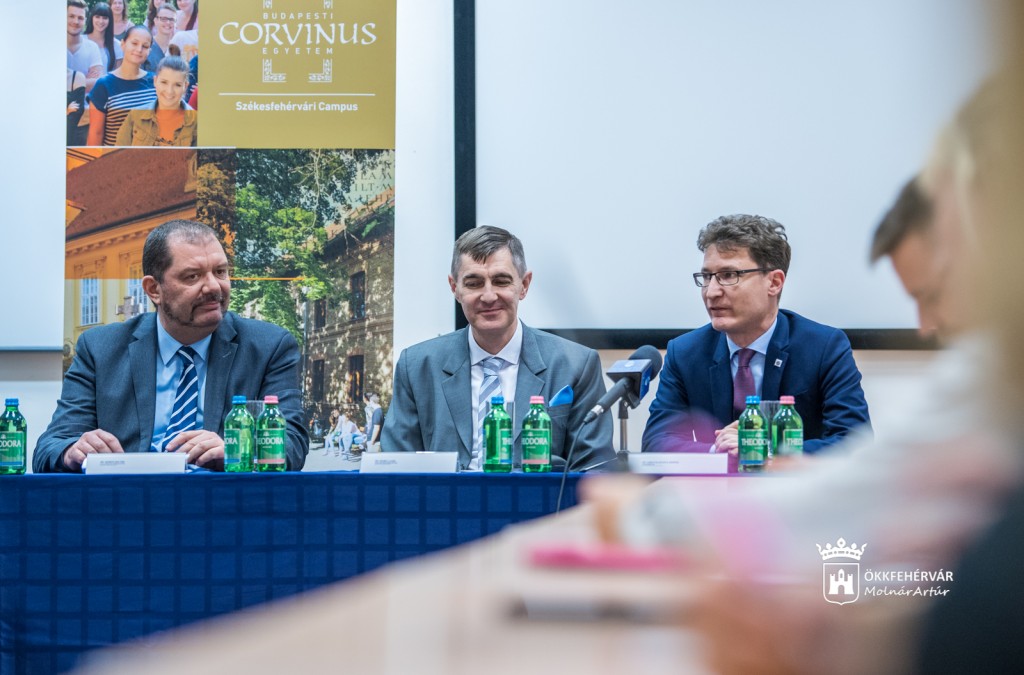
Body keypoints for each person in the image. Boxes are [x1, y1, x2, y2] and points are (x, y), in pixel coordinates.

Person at [33, 219, 309, 473]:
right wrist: (72, 450)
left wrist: (238, 452)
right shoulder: (100, 349)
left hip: (222, 500)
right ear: (154, 290)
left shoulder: (269, 347)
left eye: (220, 272)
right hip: (129, 500)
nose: (214, 287)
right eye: (192, 276)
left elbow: (293, 445)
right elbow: (51, 446)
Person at [381, 226, 614, 470]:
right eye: (474, 283)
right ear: (455, 288)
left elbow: (594, 470)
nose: (489, 296)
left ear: (524, 285)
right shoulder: (416, 367)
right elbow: (394, 469)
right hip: (444, 495)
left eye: (501, 281)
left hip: (537, 496)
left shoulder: (576, 365)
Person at [642, 214, 871, 458]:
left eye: (729, 275)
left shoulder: (823, 348)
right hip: (715, 483)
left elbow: (854, 441)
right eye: (707, 277)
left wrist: (762, 450)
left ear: (774, 282)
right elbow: (656, 441)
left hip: (795, 482)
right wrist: (718, 451)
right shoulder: (685, 353)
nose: (711, 292)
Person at [87, 25, 156, 146]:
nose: (139, 49)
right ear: (123, 44)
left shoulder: (156, 82)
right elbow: (96, 134)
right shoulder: (104, 85)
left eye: (145, 46)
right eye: (134, 43)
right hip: (114, 156)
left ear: (149, 51)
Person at [116, 56, 196, 146]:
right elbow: (118, 152)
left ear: (185, 86)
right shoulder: (135, 115)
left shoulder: (196, 123)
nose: (169, 91)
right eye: (164, 82)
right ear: (155, 81)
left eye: (177, 85)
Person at [67, 0, 103, 94]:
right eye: (71, 16)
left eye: (80, 18)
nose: (76, 21)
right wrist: (85, 81)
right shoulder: (53, 46)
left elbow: (98, 83)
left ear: (85, 21)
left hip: (86, 103)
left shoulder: (92, 47)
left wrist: (66, 83)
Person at [85, 2, 121, 73]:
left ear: (110, 20)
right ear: (92, 18)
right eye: (97, 17)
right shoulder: (81, 40)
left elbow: (118, 74)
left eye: (105, 18)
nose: (101, 21)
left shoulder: (116, 45)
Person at [145, 3, 177, 73]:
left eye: (172, 19)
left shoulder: (178, 47)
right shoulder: (146, 46)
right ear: (156, 21)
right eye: (163, 19)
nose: (168, 22)